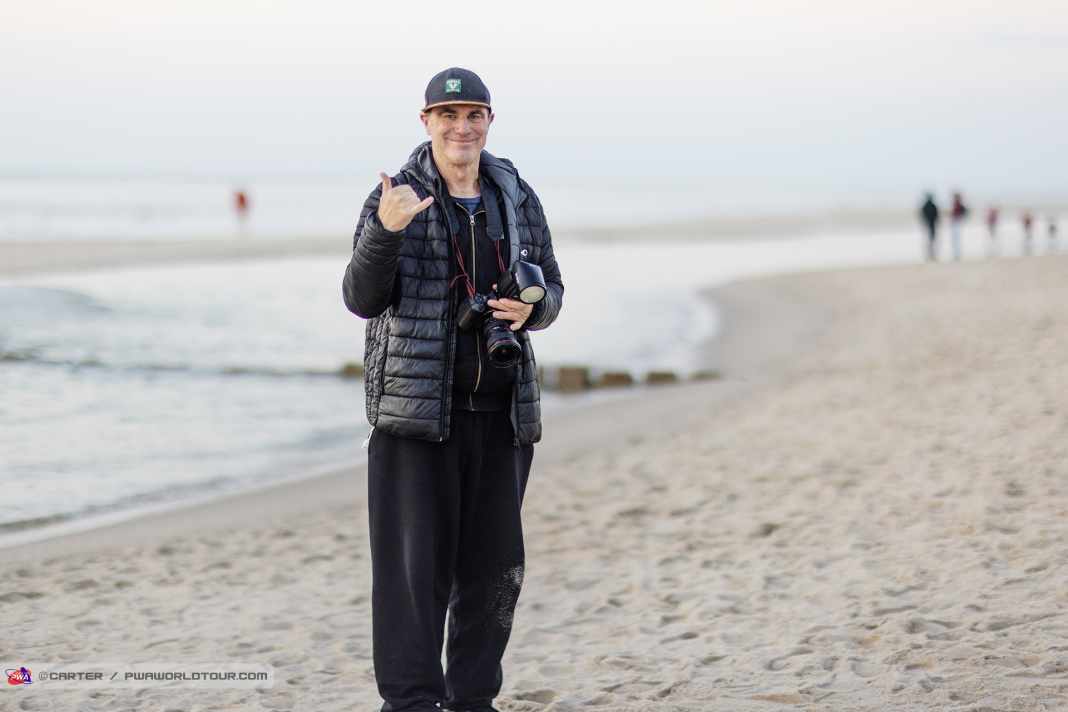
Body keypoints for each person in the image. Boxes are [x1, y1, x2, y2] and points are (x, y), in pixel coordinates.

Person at [341, 67, 564, 712]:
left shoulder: (516, 195)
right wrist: (386, 231)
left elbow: (551, 285)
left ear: (490, 120)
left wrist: (534, 309)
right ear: (426, 121)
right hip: (415, 419)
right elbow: (361, 298)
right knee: (414, 579)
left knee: (494, 573)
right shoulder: (396, 195)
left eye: (473, 115)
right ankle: (410, 703)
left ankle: (473, 701)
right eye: (448, 115)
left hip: (502, 417)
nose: (461, 127)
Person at [919, 193, 939, 261]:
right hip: (931, 225)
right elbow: (937, 216)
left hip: (928, 225)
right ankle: (931, 256)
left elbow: (922, 215)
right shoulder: (932, 206)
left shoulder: (925, 206)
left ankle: (929, 256)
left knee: (929, 242)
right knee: (931, 241)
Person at [949, 191, 968, 261]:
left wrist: (959, 218)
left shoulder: (959, 205)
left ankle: (957, 254)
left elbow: (963, 213)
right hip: (955, 223)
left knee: (957, 239)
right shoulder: (955, 205)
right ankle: (956, 254)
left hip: (957, 223)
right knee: (955, 240)